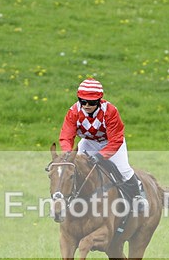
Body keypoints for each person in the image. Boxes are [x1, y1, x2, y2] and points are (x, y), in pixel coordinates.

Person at [58, 77, 148, 212]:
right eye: (82, 101)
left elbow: (116, 139)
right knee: (73, 168)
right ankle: (71, 197)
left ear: (99, 100)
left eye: (91, 102)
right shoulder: (74, 112)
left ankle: (137, 196)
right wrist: (67, 153)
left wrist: (101, 155)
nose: (86, 105)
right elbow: (66, 136)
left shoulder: (110, 111)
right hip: (88, 143)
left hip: (112, 144)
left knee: (123, 170)